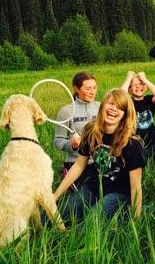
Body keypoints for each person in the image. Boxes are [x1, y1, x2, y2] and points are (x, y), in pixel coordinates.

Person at [53, 88, 145, 222]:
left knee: (91, 224)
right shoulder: (91, 130)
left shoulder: (132, 143)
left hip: (118, 194)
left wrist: (137, 220)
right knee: (52, 217)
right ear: (102, 106)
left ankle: (129, 212)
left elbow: (135, 186)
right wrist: (55, 195)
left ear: (125, 114)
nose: (114, 109)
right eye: (111, 103)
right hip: (93, 188)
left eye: (120, 107)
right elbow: (79, 165)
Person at [53, 71, 100, 180]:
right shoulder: (66, 111)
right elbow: (57, 141)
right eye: (88, 89)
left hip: (99, 163)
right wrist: (72, 145)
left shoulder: (101, 107)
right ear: (77, 89)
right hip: (75, 163)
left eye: (94, 88)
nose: (92, 92)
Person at [121, 71, 155, 169]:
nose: (138, 87)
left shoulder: (148, 100)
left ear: (145, 86)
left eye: (140, 84)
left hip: (154, 141)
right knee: (141, 167)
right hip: (137, 144)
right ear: (129, 90)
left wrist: (145, 80)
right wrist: (128, 78)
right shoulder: (129, 103)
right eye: (134, 85)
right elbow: (120, 95)